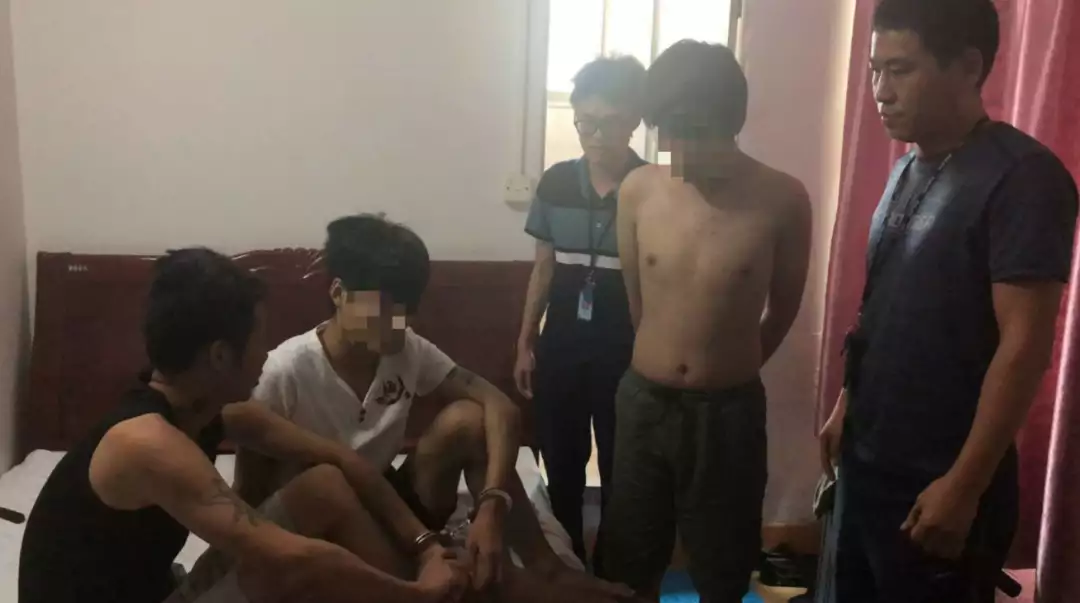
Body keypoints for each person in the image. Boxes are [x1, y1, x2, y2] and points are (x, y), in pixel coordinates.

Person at [18, 248, 469, 603]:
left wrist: (426, 545)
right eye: (259, 340)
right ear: (220, 355)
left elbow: (342, 460)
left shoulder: (206, 410)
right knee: (277, 571)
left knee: (325, 484)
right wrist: (415, 592)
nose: (266, 354)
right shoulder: (148, 444)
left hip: (155, 589)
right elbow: (294, 558)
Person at [231, 214, 639, 602]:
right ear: (338, 293)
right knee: (331, 484)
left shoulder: (406, 350)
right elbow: (250, 493)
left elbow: (499, 407)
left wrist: (492, 505)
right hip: (323, 523)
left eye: (407, 308)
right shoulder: (284, 371)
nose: (399, 322)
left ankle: (545, 566)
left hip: (390, 508)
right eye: (385, 306)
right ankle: (496, 586)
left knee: (468, 421)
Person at [817, 1, 1079, 601]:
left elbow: (1025, 346)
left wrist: (963, 487)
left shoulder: (1023, 177)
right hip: (867, 463)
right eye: (875, 70)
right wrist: (847, 402)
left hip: (938, 480)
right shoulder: (907, 169)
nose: (881, 91)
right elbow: (884, 307)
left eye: (900, 69)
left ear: (968, 66)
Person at [599, 40, 812, 602]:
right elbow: (637, 300)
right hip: (644, 403)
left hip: (728, 413)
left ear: (729, 123)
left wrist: (727, 366)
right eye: (666, 133)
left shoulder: (783, 198)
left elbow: (783, 308)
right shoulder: (638, 191)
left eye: (691, 134)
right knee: (629, 560)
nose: (676, 149)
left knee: (724, 564)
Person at [516, 54, 647, 563]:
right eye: (584, 122)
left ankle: (614, 568)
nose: (595, 136)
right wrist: (526, 341)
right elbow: (543, 268)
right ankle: (567, 564)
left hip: (627, 350)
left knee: (623, 465)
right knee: (562, 461)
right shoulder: (555, 183)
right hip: (563, 346)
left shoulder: (652, 188)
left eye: (608, 123)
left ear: (634, 119)